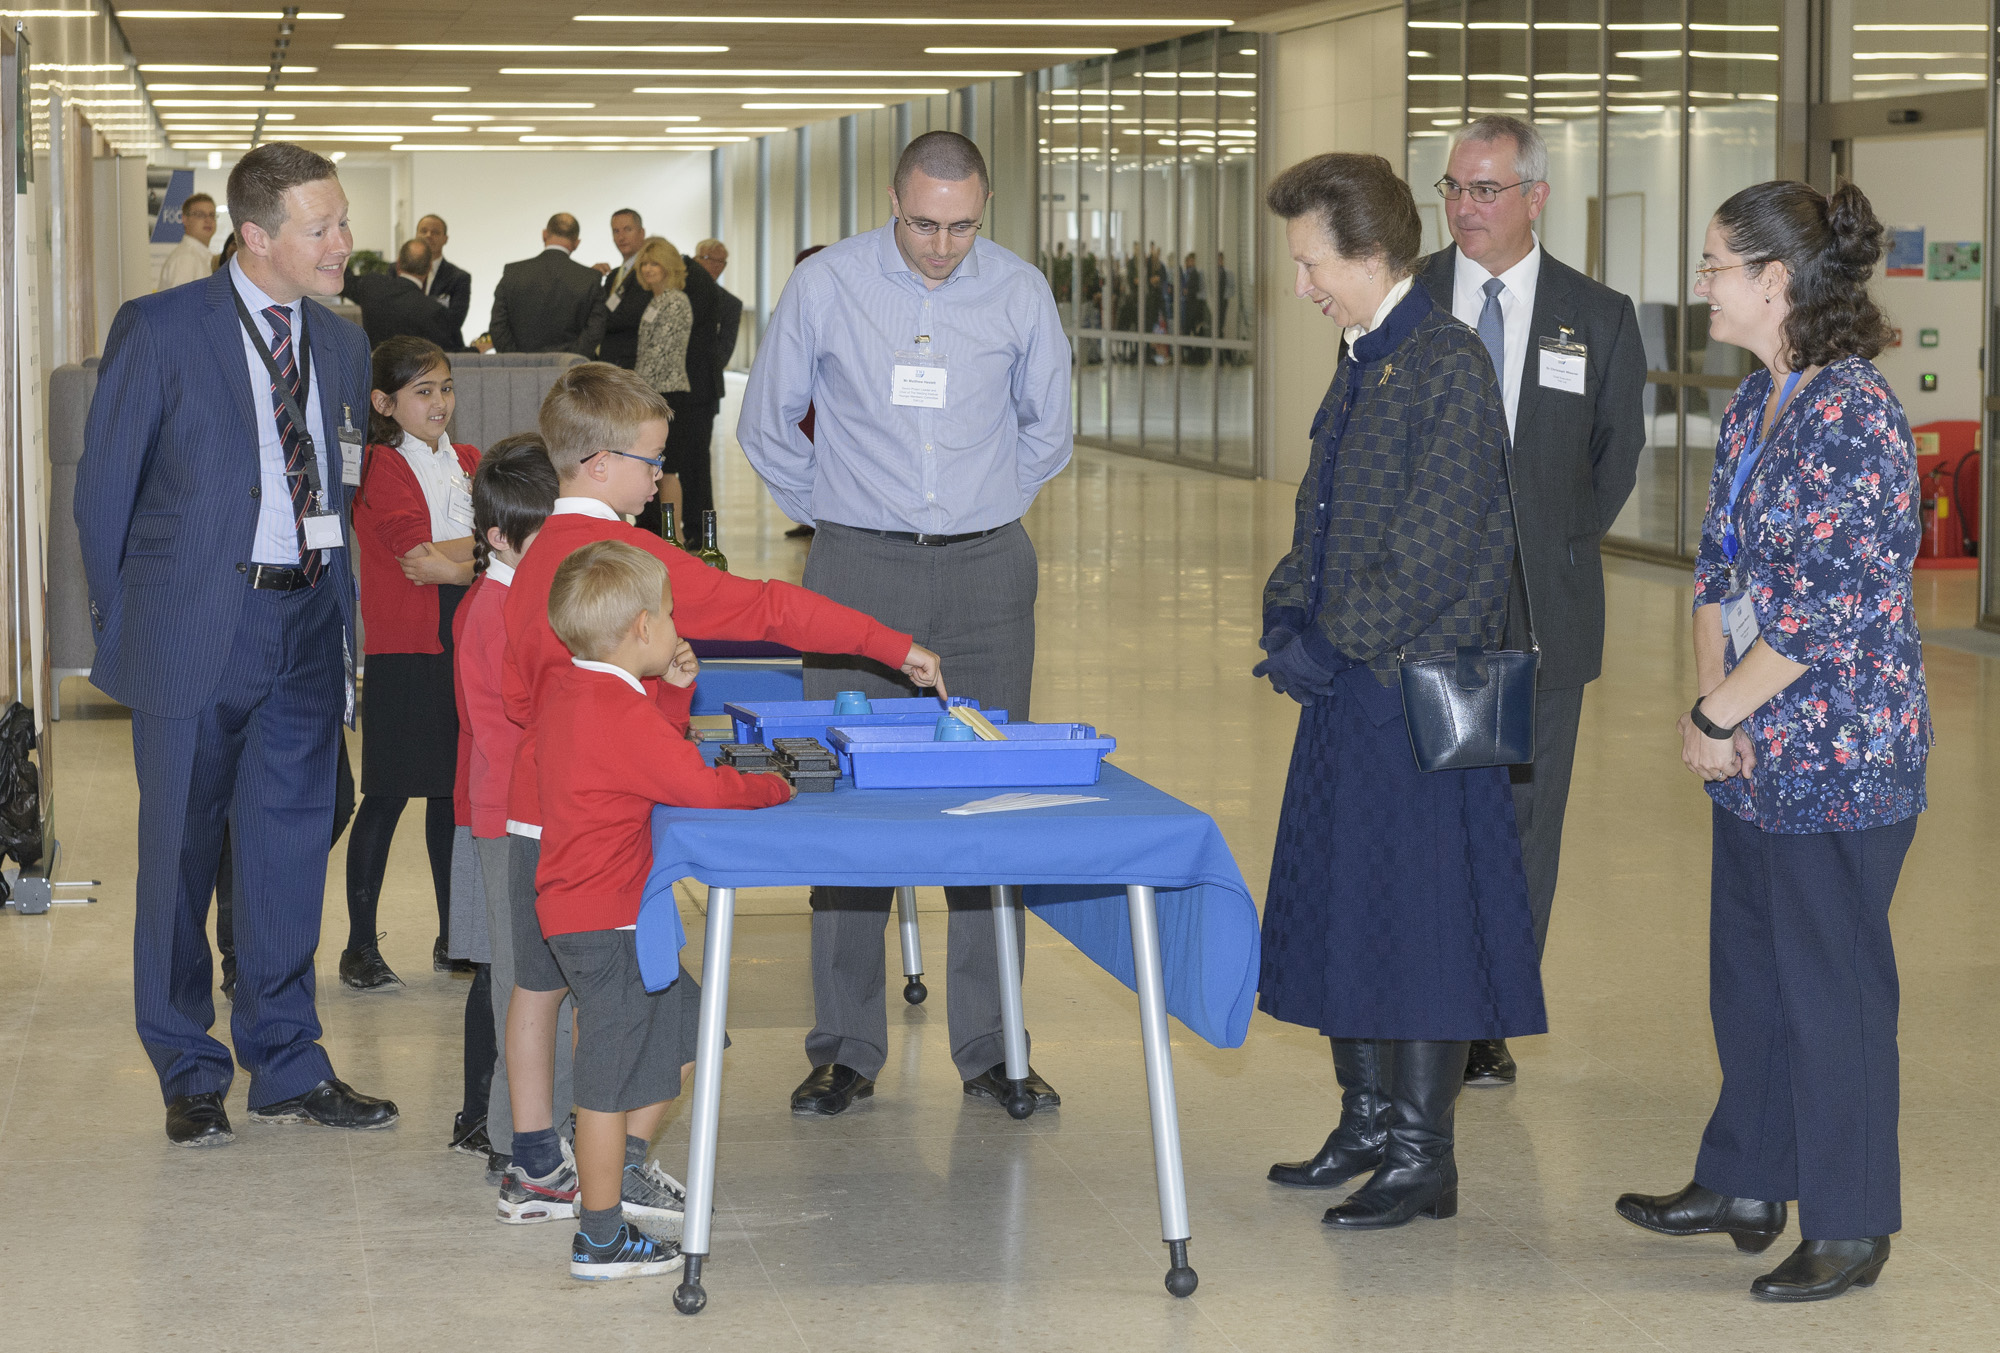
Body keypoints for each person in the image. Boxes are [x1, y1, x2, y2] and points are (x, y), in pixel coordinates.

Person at [493, 363, 941, 1222]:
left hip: (532, 810)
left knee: (540, 988)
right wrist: (892, 644)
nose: (661, 477)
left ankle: (532, 1163)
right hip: (606, 832)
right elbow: (769, 608)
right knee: (629, 1007)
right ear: (598, 463)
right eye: (649, 461)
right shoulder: (626, 558)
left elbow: (519, 701)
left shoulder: (534, 557)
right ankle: (613, 1167)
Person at [1615, 180, 1929, 1303]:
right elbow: (1717, 569)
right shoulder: (1758, 404)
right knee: (1747, 977)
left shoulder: (1853, 415)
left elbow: (1824, 607)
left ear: (1773, 281)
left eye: (1711, 265)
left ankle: (1848, 1224)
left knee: (1829, 991)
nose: (1696, 284)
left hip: (1839, 756)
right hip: (1753, 749)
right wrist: (1713, 707)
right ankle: (1745, 1182)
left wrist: (1716, 713)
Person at [738, 130, 1073, 1119]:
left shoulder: (1017, 291)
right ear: (893, 199)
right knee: (847, 801)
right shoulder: (827, 285)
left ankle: (993, 1044)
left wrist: (970, 511)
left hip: (985, 569)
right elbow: (768, 425)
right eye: (923, 223)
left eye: (961, 225)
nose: (940, 246)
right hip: (855, 569)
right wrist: (850, 510)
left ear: (985, 208)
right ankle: (844, 1044)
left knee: (989, 794)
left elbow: (1047, 430)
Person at [77, 141, 398, 1146]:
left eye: (341, 221)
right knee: (177, 852)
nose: (343, 243)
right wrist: (131, 635)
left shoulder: (342, 343)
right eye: (322, 227)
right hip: (194, 630)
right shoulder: (162, 329)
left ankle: (288, 1059)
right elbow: (103, 497)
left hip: (302, 628)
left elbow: (336, 481)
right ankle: (186, 1062)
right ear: (255, 237)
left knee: (288, 851)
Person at [1254, 152, 1546, 1229]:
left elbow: (1431, 551)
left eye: (1311, 263)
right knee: (1345, 907)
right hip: (1351, 694)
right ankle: (1366, 1119)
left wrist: (1331, 645)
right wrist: (1287, 614)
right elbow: (1320, 514)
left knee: (1416, 927)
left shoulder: (1443, 363)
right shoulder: (1363, 355)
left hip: (1413, 702)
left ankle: (1423, 1157)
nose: (1302, 286)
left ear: (1372, 255)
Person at [1417, 114, 1647, 1089]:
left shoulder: (1593, 314)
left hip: (1539, 614)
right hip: (1421, 611)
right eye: (1453, 189)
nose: (1463, 208)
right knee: (1426, 807)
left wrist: (1541, 547)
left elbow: (1613, 456)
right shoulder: (1409, 298)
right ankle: (1419, 997)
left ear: (1533, 197)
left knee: (1521, 822)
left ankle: (1489, 1012)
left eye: (1484, 190)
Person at [537, 539, 796, 1280]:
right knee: (607, 1080)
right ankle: (599, 1234)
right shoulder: (618, 712)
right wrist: (776, 785)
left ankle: (621, 1160)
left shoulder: (579, 689)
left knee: (691, 1023)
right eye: (672, 615)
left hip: (601, 913)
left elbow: (647, 752)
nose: (681, 626)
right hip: (605, 922)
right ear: (642, 628)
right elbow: (700, 784)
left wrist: (675, 694)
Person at [452, 435, 573, 1189]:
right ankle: (514, 1133)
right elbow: (503, 734)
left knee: (543, 974)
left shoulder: (528, 595)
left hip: (539, 811)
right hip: (510, 819)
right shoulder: (489, 611)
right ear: (498, 536)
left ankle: (539, 1123)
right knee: (521, 981)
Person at [342, 336, 480, 993]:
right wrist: (477, 552)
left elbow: (501, 540)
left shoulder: (470, 461)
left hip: (467, 642)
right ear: (384, 402)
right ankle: (358, 944)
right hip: (407, 647)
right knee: (389, 792)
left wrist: (459, 558)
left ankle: (454, 935)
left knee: (454, 793)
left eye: (446, 387)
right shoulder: (377, 466)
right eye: (424, 391)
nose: (440, 402)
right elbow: (411, 551)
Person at [628, 237, 694, 537]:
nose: (649, 268)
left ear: (668, 267)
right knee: (655, 468)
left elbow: (660, 354)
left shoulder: (675, 300)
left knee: (668, 470)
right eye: (645, 263)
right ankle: (660, 534)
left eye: (655, 263)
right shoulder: (656, 300)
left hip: (667, 394)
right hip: (652, 395)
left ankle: (675, 538)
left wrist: (635, 389)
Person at [672, 240, 732, 545]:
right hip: (675, 389)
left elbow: (722, 352)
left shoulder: (728, 303)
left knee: (697, 462)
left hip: (702, 391)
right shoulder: (678, 295)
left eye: (715, 260)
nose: (708, 264)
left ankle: (700, 530)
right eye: (703, 257)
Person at [488, 213, 608, 357]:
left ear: (544, 234)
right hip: (568, 372)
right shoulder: (590, 279)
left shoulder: (513, 273)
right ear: (576, 243)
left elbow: (498, 326)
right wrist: (571, 362)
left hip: (519, 370)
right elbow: (595, 331)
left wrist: (517, 361)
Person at [342, 238, 470, 353]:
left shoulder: (371, 286)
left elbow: (344, 281)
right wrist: (476, 349)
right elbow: (452, 353)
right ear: (428, 268)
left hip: (374, 374)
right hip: (413, 377)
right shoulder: (434, 311)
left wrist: (340, 246)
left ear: (398, 263)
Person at [594, 207, 649, 370]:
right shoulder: (613, 275)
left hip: (633, 363)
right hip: (608, 360)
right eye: (616, 231)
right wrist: (592, 281)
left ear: (642, 232)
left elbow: (630, 316)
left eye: (627, 230)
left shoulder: (647, 272)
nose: (621, 237)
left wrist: (595, 321)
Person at [414, 213, 472, 335]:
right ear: (415, 236)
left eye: (435, 232)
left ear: (445, 239)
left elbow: (455, 321)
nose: (428, 235)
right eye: (423, 231)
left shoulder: (459, 278)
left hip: (443, 347)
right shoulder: (397, 270)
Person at [156, 191, 218, 291]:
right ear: (185, 219)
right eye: (200, 215)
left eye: (212, 215)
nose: (208, 220)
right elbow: (180, 305)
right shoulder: (186, 258)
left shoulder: (199, 256)